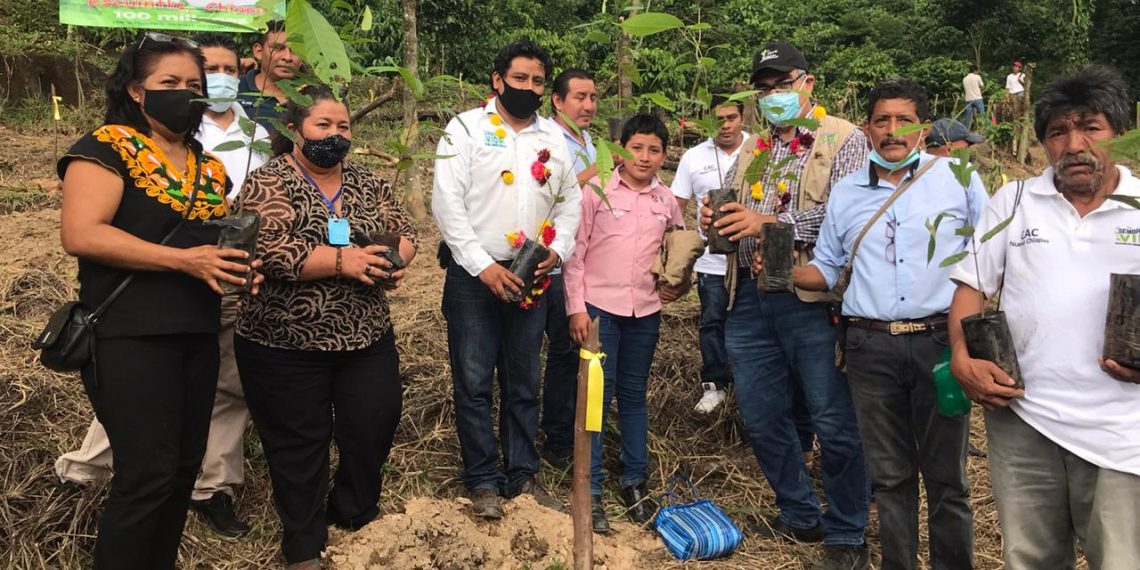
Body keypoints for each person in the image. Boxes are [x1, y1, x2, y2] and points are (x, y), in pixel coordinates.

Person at [53, 32, 272, 539]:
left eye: (193, 84)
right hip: (131, 334)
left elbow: (211, 249)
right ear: (136, 90)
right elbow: (80, 234)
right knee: (146, 474)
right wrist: (181, 260)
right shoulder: (106, 147)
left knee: (178, 473)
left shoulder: (207, 166)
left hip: (196, 334)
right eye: (168, 82)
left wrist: (240, 269)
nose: (185, 91)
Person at [763, 77, 987, 570]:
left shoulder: (959, 179)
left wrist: (969, 342)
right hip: (870, 346)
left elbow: (986, 260)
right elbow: (825, 267)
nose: (892, 130)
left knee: (948, 478)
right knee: (889, 475)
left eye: (903, 120)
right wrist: (779, 269)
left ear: (922, 128)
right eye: (881, 120)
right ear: (866, 128)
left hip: (938, 343)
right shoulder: (846, 192)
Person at [949, 65, 1140, 570]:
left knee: (1120, 560)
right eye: (1058, 132)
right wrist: (961, 359)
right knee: (1031, 559)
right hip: (1024, 418)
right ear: (1043, 144)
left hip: (1124, 430)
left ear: (1118, 134)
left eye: (1090, 128)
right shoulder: (1013, 201)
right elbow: (971, 288)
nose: (1074, 144)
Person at [701, 41, 871, 569]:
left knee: (831, 417)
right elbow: (737, 212)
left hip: (811, 296)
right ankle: (799, 512)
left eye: (782, 84)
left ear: (807, 84)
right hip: (751, 296)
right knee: (761, 412)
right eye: (765, 88)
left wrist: (774, 225)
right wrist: (717, 222)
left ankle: (847, 532)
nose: (773, 95)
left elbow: (849, 218)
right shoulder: (752, 150)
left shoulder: (844, 138)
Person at [233, 85, 417, 569]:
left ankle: (353, 509)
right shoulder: (268, 181)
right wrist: (343, 261)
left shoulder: (367, 180)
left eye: (344, 127)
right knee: (299, 444)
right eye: (323, 126)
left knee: (373, 424)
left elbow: (403, 230)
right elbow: (269, 249)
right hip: (283, 343)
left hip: (365, 335)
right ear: (294, 130)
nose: (335, 136)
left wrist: (395, 261)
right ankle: (303, 543)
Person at [432, 39, 581, 519]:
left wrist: (556, 252)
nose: (529, 88)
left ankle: (522, 474)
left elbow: (569, 201)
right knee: (473, 381)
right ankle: (482, 480)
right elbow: (447, 204)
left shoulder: (553, 138)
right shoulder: (465, 129)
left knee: (524, 380)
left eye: (538, 81)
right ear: (497, 80)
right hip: (473, 276)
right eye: (520, 79)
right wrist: (482, 265)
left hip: (530, 275)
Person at [564, 114, 686, 534]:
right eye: (637, 147)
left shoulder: (665, 200)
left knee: (634, 397)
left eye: (654, 150)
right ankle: (591, 488)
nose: (645, 157)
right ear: (621, 149)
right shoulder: (597, 191)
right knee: (597, 397)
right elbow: (575, 255)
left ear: (664, 156)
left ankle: (635, 482)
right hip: (600, 312)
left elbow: (677, 251)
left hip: (645, 313)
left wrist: (677, 285)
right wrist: (576, 309)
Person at [671, 95, 747, 413]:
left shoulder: (759, 152)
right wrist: (680, 263)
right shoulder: (693, 157)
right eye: (718, 119)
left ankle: (748, 386)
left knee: (748, 323)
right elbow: (677, 210)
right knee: (712, 321)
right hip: (711, 263)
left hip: (749, 260)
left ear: (743, 118)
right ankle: (714, 385)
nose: (725, 124)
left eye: (731, 117)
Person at [538, 68, 598, 469]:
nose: (589, 105)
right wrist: (593, 174)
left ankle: (565, 431)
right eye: (579, 97)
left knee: (569, 352)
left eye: (593, 97)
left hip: (579, 264)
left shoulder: (588, 140)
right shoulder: (546, 139)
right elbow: (542, 192)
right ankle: (552, 436)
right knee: (555, 352)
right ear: (557, 101)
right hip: (550, 262)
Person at [237, 19, 300, 130]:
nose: (288, 57)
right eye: (278, 48)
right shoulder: (235, 90)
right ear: (259, 52)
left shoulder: (312, 96)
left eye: (295, 50)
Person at [962, 64, 985, 130]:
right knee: (982, 114)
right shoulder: (977, 77)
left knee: (968, 116)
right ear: (975, 71)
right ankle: (985, 129)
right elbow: (982, 86)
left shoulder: (964, 79)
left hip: (968, 99)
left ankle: (965, 130)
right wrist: (980, 91)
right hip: (977, 98)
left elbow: (965, 90)